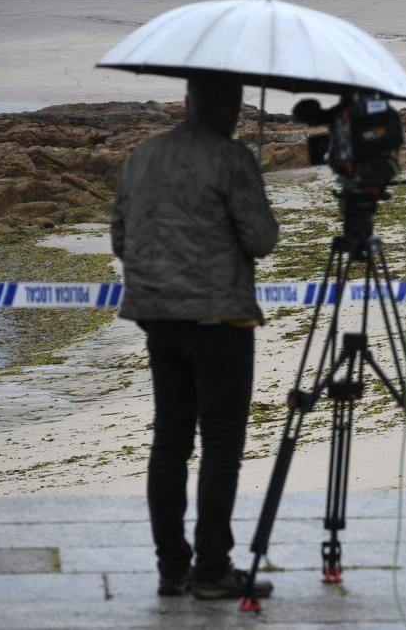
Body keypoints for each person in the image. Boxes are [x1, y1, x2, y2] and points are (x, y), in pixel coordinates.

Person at [111, 71, 279, 600]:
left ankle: (171, 568)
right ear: (229, 107)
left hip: (157, 317)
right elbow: (261, 238)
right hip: (219, 319)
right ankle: (211, 569)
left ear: (188, 102)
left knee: (170, 443)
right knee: (221, 446)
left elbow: (120, 235)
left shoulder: (142, 155)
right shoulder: (231, 158)